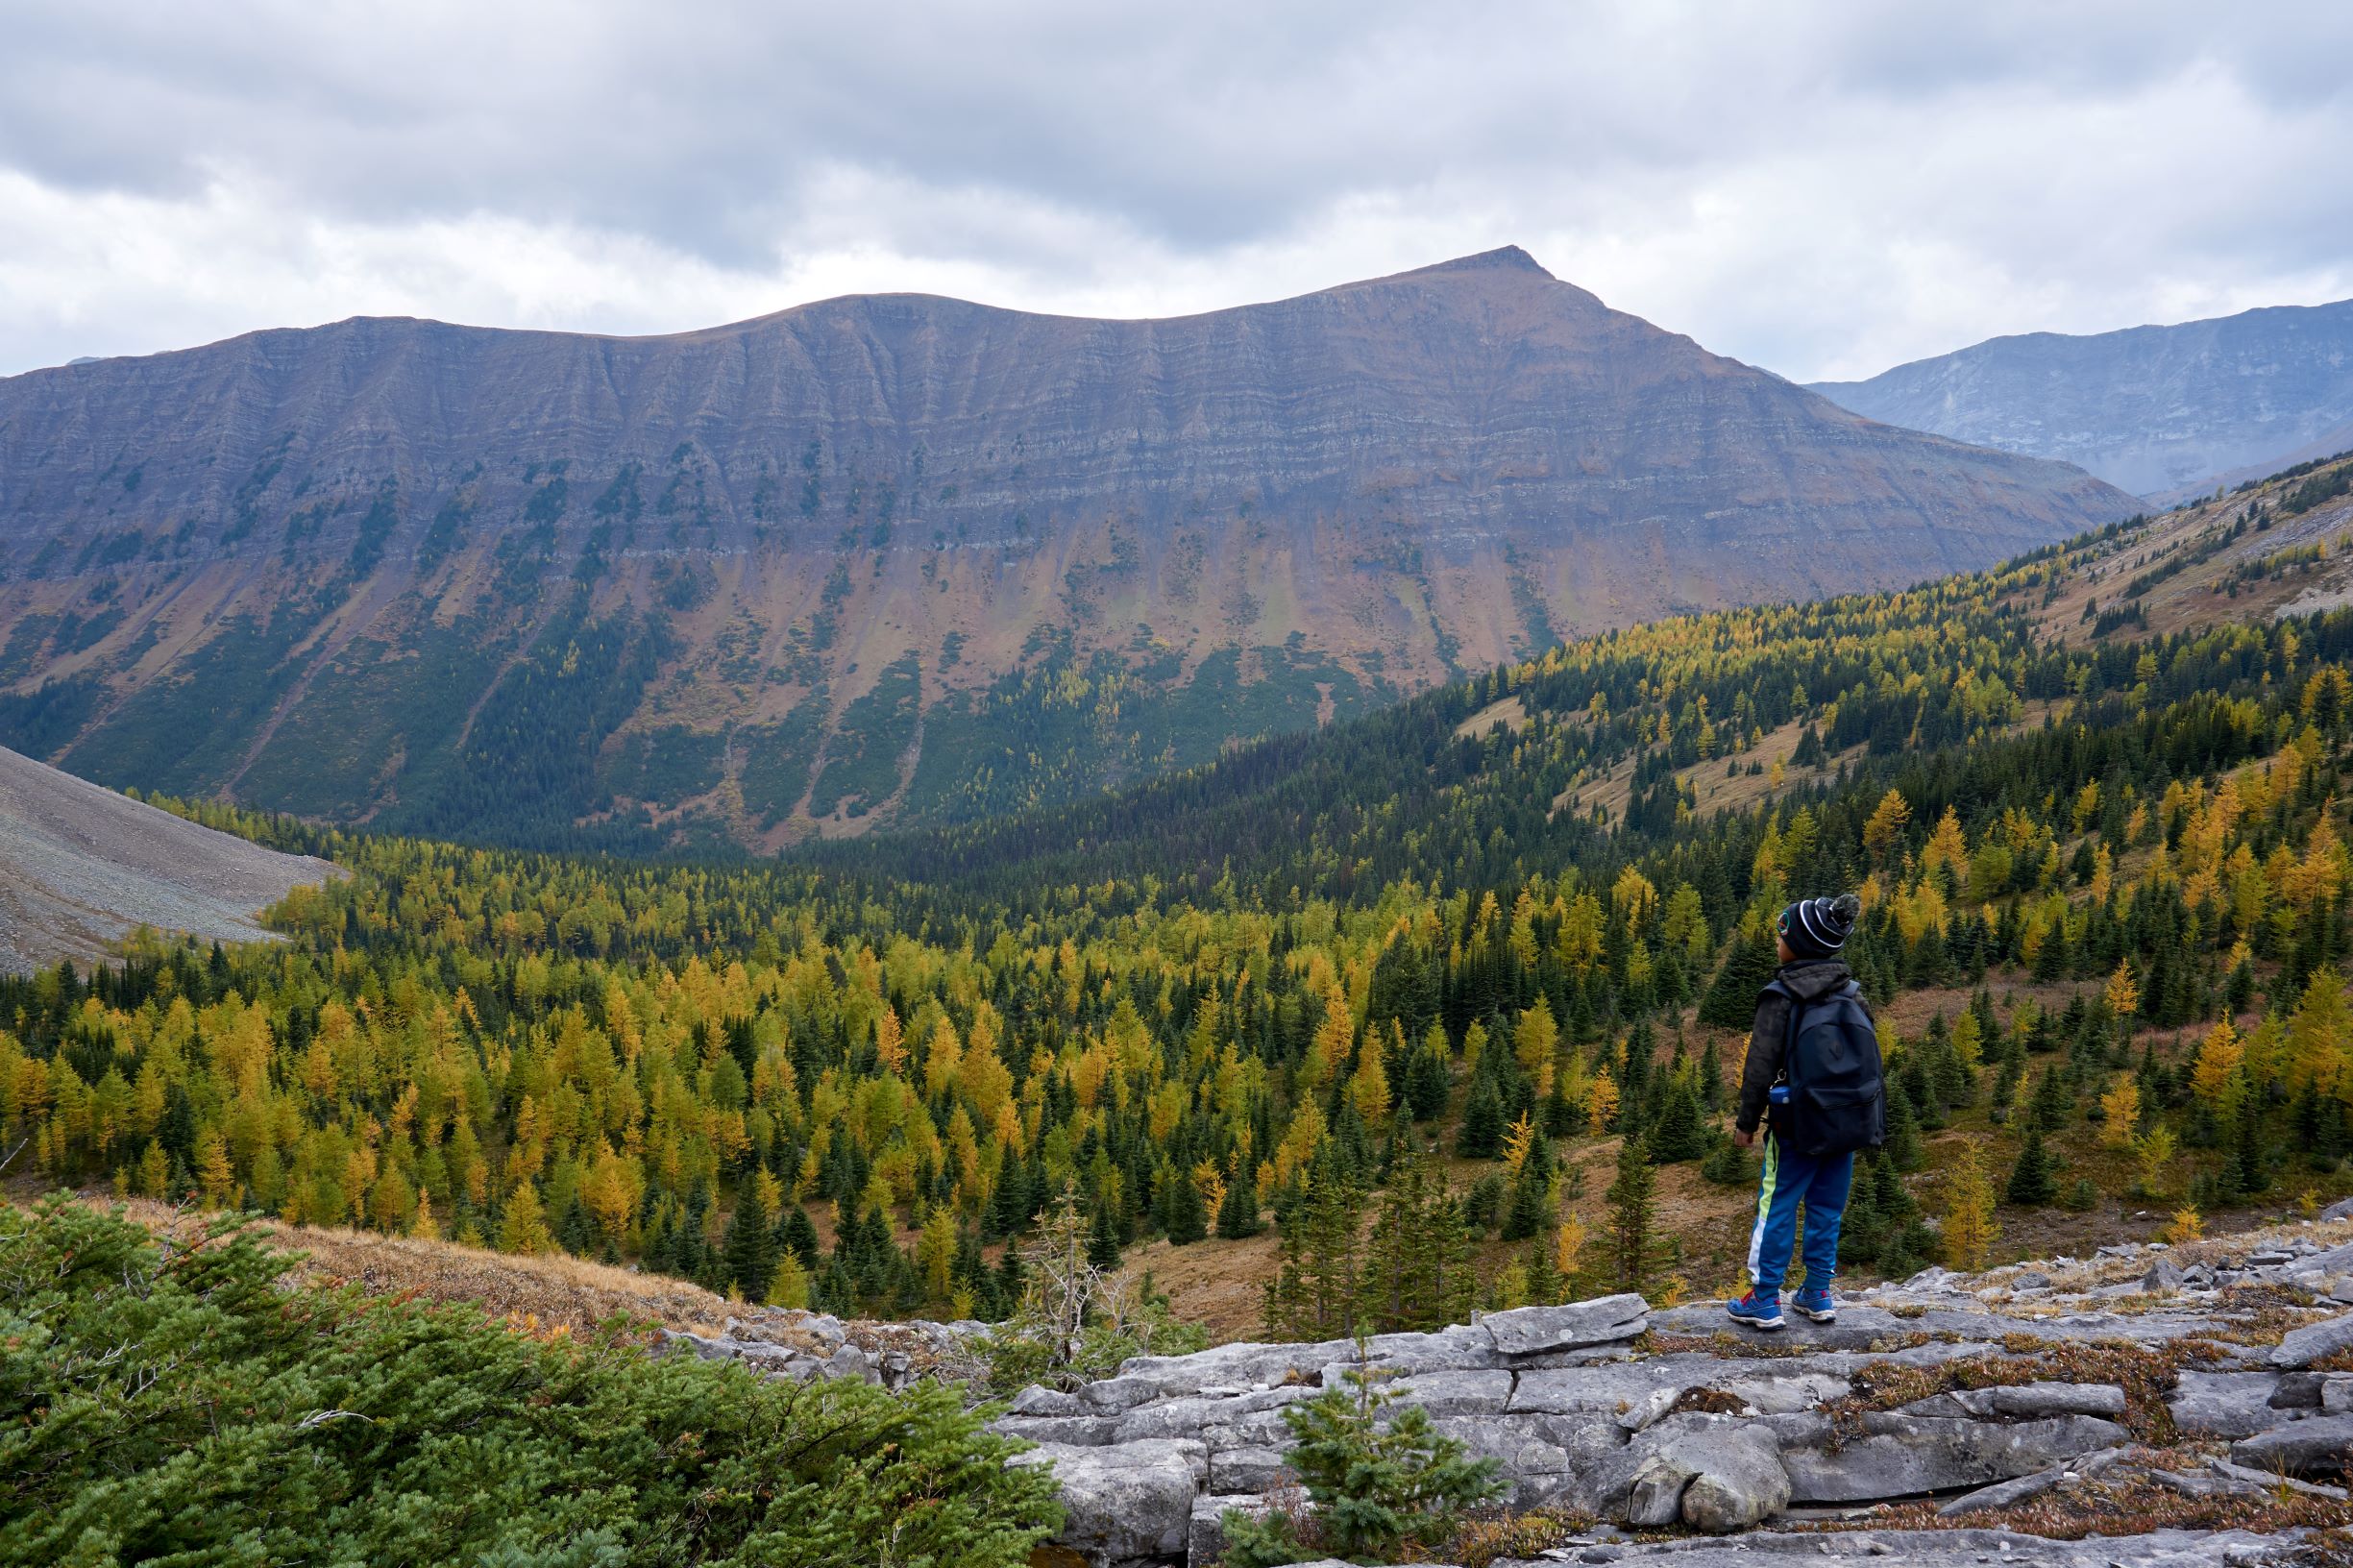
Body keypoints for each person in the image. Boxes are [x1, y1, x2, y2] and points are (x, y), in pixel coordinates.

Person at [1727, 892, 1875, 1331]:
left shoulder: (1781, 995)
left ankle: (1765, 1297)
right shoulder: (1853, 993)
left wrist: (1746, 1122)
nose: (1777, 943)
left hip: (1796, 1123)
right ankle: (1817, 1292)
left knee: (1777, 1205)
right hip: (1846, 1122)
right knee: (1828, 1208)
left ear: (1801, 945)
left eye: (1782, 935)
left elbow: (1759, 1064)